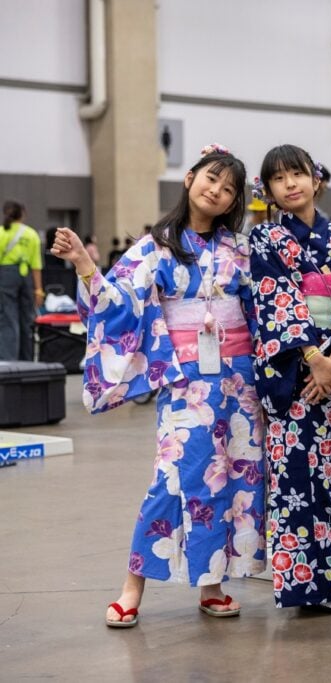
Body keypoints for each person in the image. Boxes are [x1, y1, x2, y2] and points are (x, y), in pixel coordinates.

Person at [50, 144, 265, 628]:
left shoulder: (240, 250)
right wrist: (86, 265)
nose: (218, 191)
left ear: (234, 202)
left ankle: (213, 584)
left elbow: (262, 309)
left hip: (238, 380)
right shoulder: (155, 248)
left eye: (229, 188)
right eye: (212, 179)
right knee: (172, 481)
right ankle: (132, 587)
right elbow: (118, 302)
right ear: (189, 178)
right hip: (188, 382)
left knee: (234, 479)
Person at [248, 144, 331, 613]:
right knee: (296, 482)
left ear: (316, 179)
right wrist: (314, 357)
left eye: (297, 174)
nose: (290, 184)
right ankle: (302, 586)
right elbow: (273, 301)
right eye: (279, 179)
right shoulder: (265, 241)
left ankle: (330, 582)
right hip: (295, 377)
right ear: (269, 192)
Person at [0, 200, 43, 361]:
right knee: (27, 320)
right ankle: (27, 361)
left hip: (6, 276)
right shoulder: (31, 234)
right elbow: (36, 265)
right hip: (26, 277)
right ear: (23, 213)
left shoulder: (1, 233)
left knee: (8, 319)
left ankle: (9, 362)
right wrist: (39, 290)